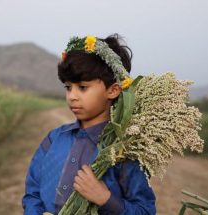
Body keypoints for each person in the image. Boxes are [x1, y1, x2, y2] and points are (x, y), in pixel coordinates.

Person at [22, 33, 156, 215]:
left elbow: (145, 210)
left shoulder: (124, 152)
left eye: (82, 87)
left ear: (113, 90)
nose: (72, 96)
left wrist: (105, 199)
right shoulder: (54, 139)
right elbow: (32, 192)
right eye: (68, 87)